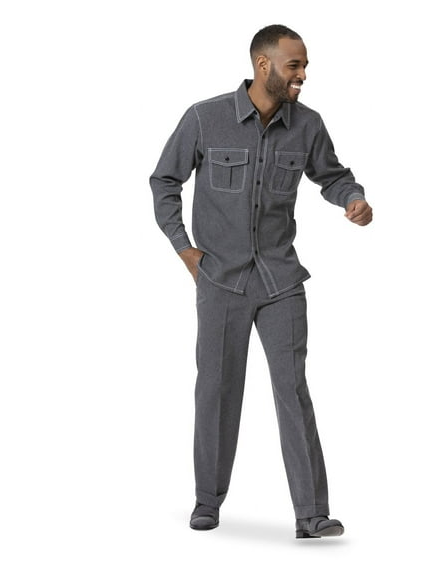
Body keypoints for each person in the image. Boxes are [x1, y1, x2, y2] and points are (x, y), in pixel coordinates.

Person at [149, 24, 372, 539]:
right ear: (263, 64)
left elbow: (332, 175)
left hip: (281, 280)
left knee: (293, 389)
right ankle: (208, 501)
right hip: (220, 279)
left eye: (305, 65)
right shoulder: (204, 118)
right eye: (295, 65)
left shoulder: (308, 125)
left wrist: (353, 198)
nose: (303, 75)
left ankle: (311, 515)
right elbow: (164, 180)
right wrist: (184, 248)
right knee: (217, 389)